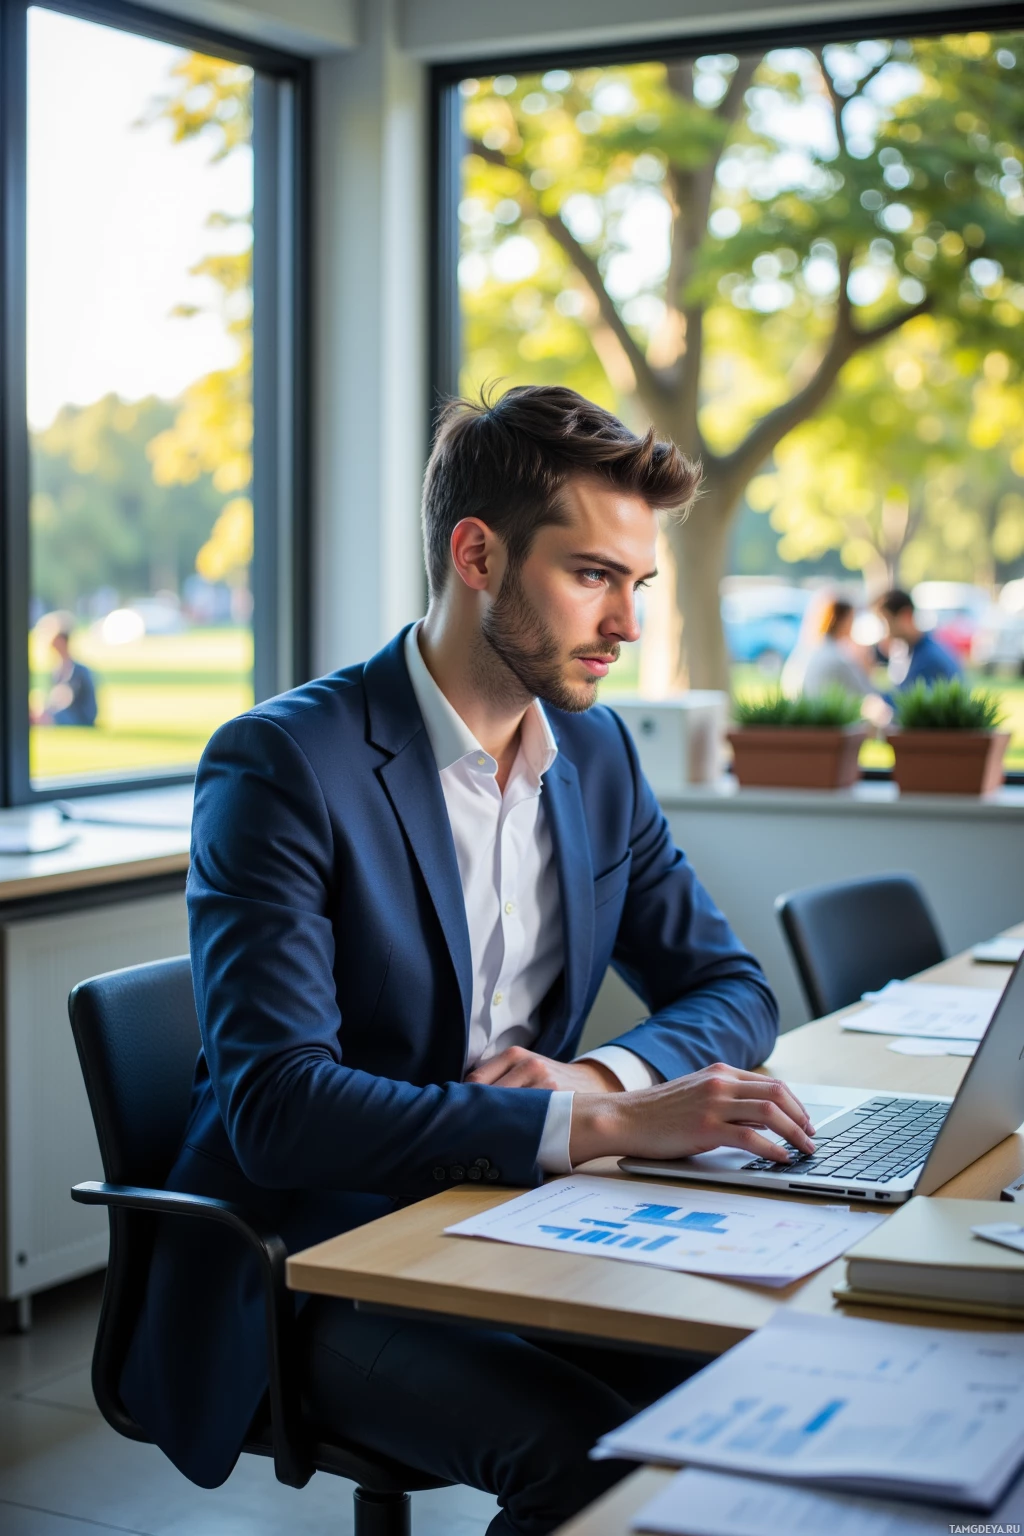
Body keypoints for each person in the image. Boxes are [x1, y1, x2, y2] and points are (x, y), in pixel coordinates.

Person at [121, 386, 813, 1535]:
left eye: (636, 583)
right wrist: (592, 1129)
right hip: (311, 1251)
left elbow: (732, 988)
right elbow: (279, 1111)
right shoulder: (283, 764)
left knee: (751, 1399)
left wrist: (596, 1084)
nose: (628, 625)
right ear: (478, 553)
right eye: (593, 575)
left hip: (514, 1226)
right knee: (588, 1473)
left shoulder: (594, 756)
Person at [782, 597, 873, 700]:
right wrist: (865, 667)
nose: (853, 625)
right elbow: (866, 693)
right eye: (852, 619)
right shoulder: (836, 657)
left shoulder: (809, 648)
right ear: (843, 621)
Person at [875, 588, 962, 691]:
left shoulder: (930, 657)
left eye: (886, 621)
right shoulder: (907, 649)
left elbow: (901, 698)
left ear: (905, 616)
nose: (884, 630)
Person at [32, 625, 98, 726]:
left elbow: (68, 698)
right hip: (64, 711)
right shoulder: (57, 669)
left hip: (79, 715)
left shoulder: (79, 670)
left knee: (47, 717)